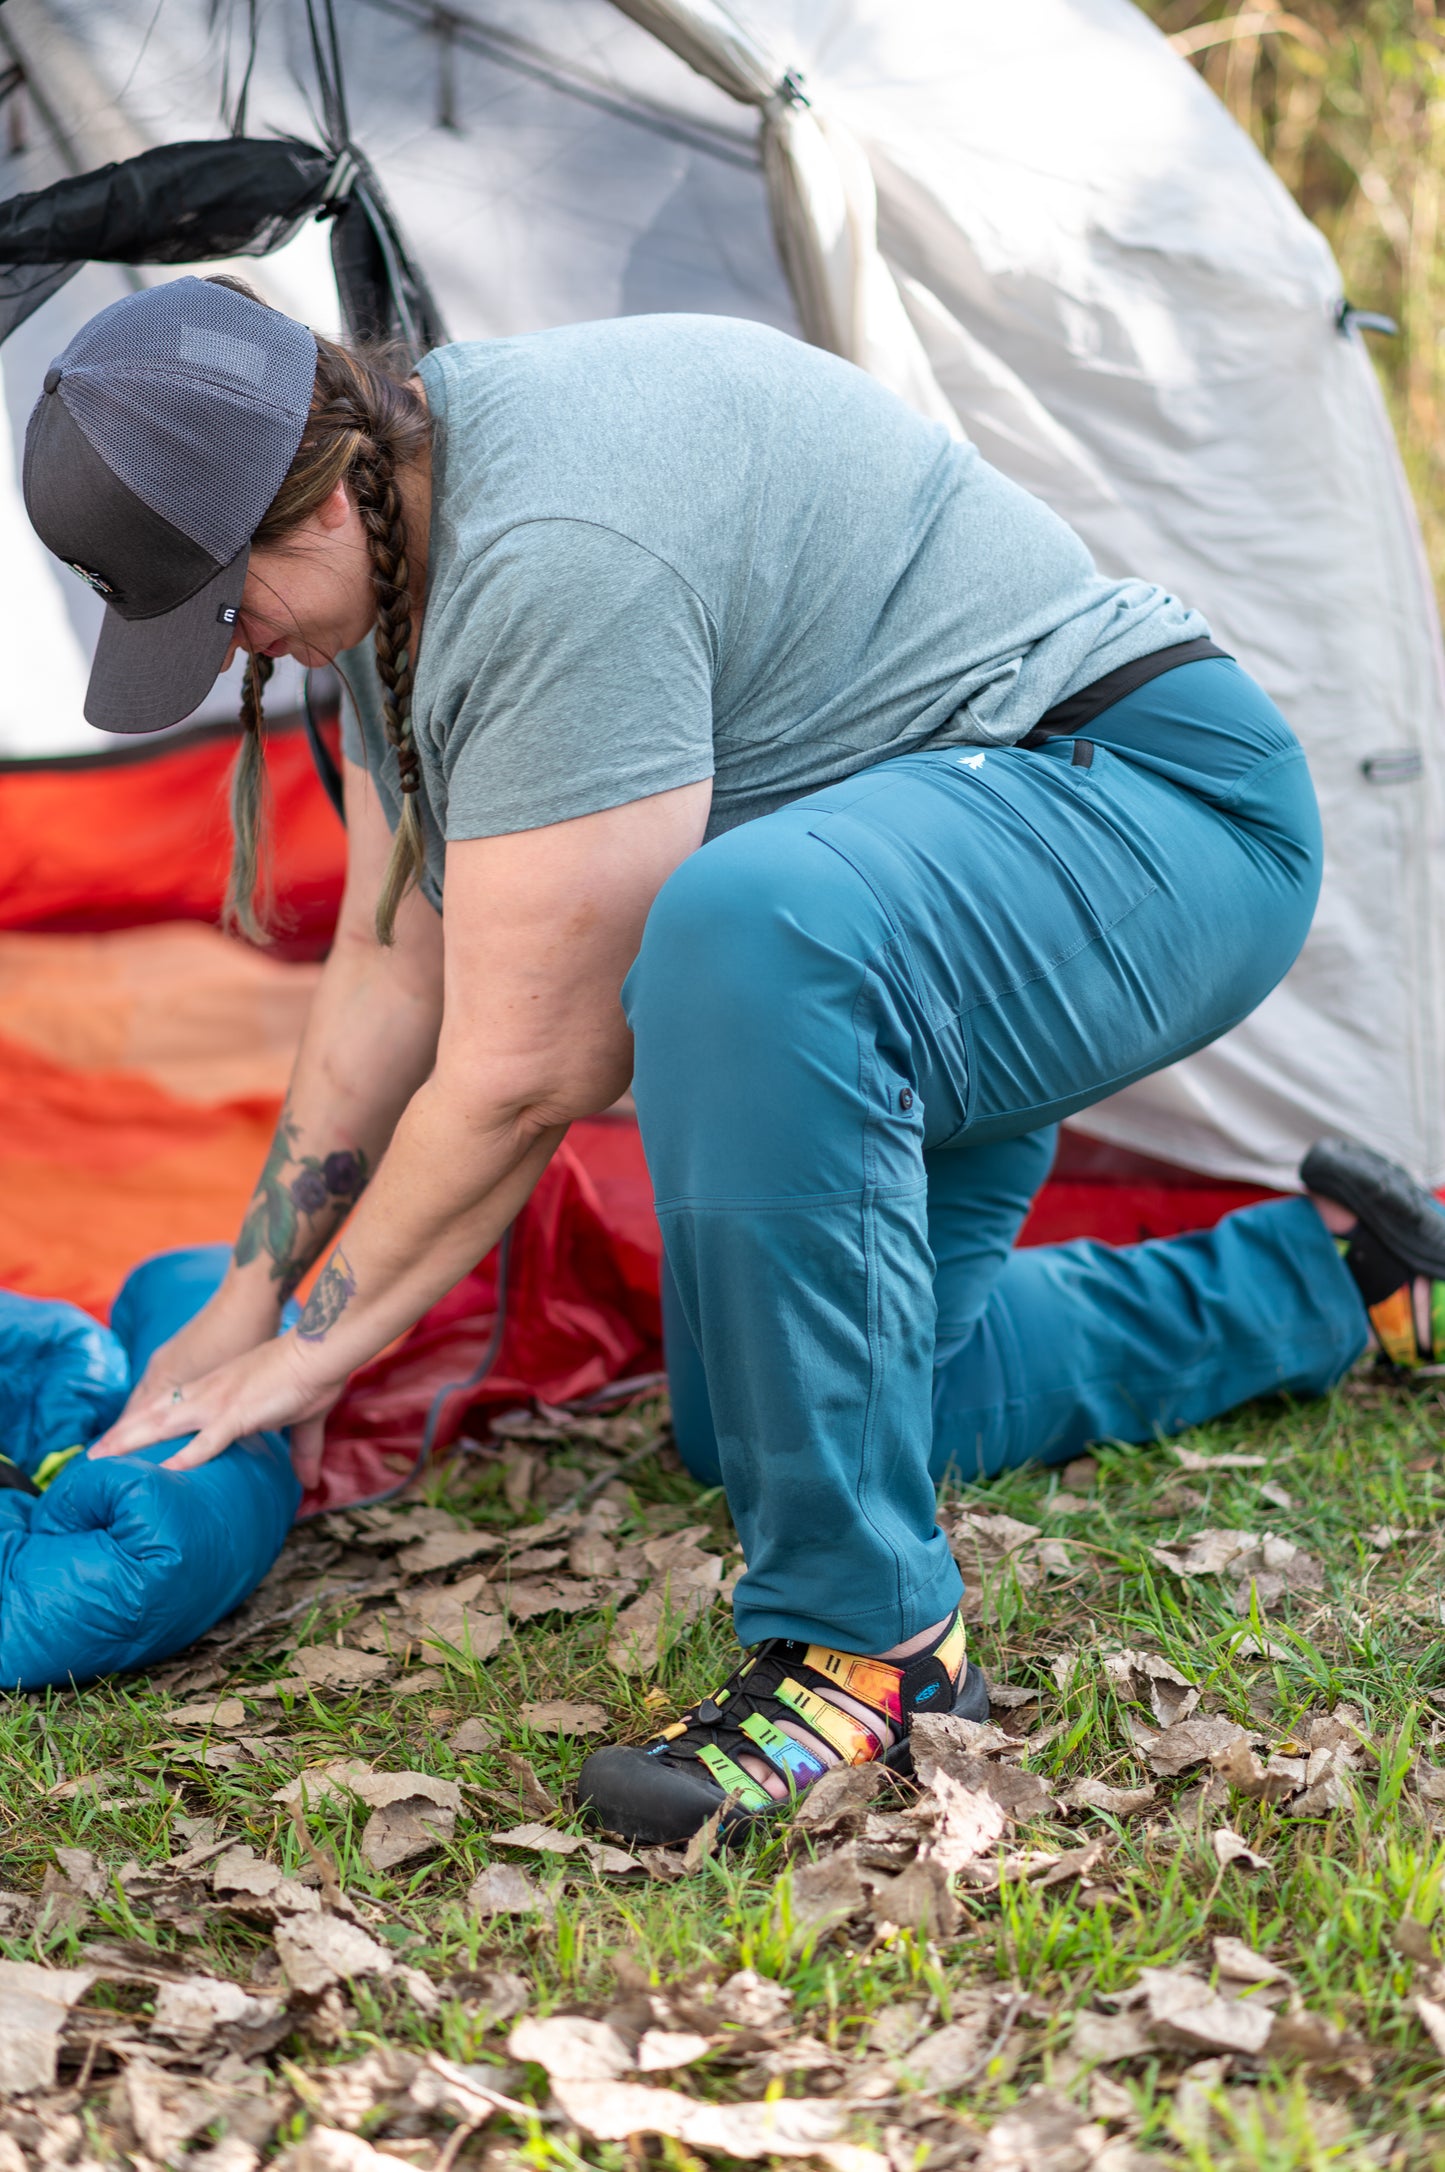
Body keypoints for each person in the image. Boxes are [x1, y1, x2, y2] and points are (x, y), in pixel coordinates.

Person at [22, 275, 1445, 1848]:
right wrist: (242, 1295)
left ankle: (870, 1648)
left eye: (229, 612)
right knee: (791, 1406)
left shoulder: (550, 550)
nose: (245, 653)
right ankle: (1352, 1282)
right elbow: (384, 960)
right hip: (913, 885)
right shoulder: (384, 564)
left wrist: (307, 1360)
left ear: (309, 504)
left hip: (1144, 822)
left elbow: (527, 1064)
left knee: (728, 930)